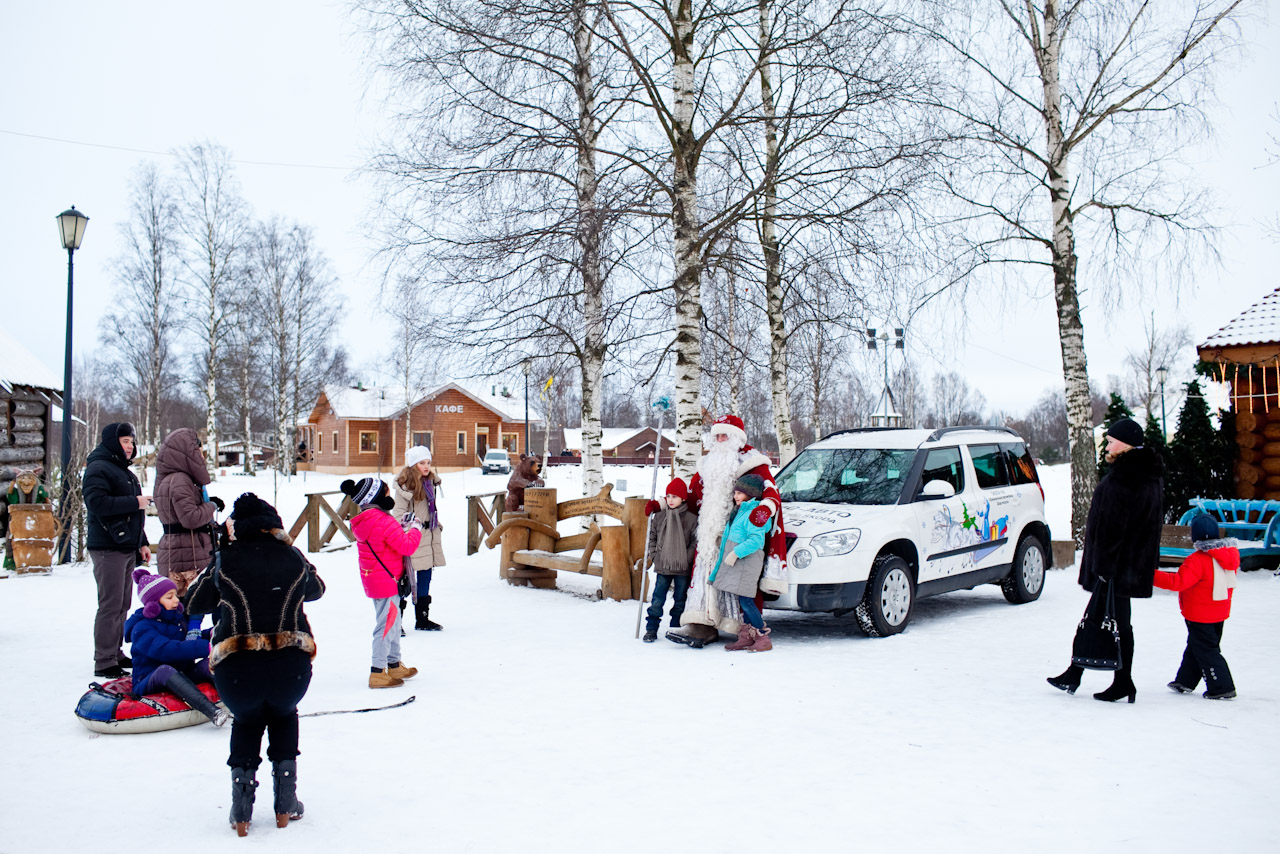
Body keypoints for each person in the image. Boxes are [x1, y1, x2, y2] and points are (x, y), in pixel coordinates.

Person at [186, 493, 325, 837]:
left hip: (238, 669)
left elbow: (193, 602)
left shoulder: (225, 560)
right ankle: (285, 803)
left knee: (246, 721)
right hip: (290, 667)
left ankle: (242, 811)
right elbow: (317, 589)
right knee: (283, 714)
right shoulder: (292, 556)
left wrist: (219, 557)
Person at [1047, 417, 1163, 702]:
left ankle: (1112, 680)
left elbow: (1114, 526)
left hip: (1116, 567)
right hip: (1130, 564)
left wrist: (1105, 567)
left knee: (1107, 622)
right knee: (1109, 620)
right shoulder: (1146, 473)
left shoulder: (1127, 476)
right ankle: (1085, 676)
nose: (1107, 445)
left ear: (1125, 445)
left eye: (1111, 441)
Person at [664, 414, 788, 649]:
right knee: (704, 579)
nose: (720, 439)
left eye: (724, 435)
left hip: (737, 537)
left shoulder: (752, 463)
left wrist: (765, 508)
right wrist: (666, 503)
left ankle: (745, 629)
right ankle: (702, 625)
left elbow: (771, 491)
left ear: (736, 438)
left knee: (735, 584)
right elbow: (692, 497)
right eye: (716, 435)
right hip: (708, 537)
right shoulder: (708, 464)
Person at [83, 422, 152, 679]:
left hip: (124, 546)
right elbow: (97, 503)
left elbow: (133, 516)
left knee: (122, 603)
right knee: (110, 604)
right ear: (113, 442)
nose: (130, 446)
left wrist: (142, 542)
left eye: (132, 442)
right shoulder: (98, 468)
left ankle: (116, 652)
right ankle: (103, 660)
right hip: (106, 547)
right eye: (125, 441)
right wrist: (135, 501)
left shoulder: (123, 471)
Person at [343, 476, 422, 688]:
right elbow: (406, 546)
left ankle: (394, 664)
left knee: (393, 624)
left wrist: (401, 526)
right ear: (377, 497)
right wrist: (415, 528)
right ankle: (377, 672)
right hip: (387, 582)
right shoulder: (383, 521)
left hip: (377, 580)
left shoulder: (366, 520)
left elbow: (387, 541)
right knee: (386, 627)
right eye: (385, 493)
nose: (389, 497)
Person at [123, 567, 227, 726]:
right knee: (165, 670)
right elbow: (166, 650)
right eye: (169, 597)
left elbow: (188, 640)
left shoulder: (176, 620)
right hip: (149, 679)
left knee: (209, 663)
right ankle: (212, 711)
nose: (176, 600)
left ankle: (233, 699)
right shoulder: (142, 628)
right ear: (153, 604)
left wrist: (215, 633)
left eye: (175, 595)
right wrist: (207, 646)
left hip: (182, 674)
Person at [1154, 513, 1239, 700]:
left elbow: (1177, 582)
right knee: (1196, 646)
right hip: (1219, 612)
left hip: (1199, 615)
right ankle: (1185, 680)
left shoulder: (1197, 560)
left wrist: (1150, 576)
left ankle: (1222, 687)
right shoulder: (1228, 556)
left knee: (1208, 651)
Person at [154, 427, 222, 599]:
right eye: (197, 451)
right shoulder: (180, 480)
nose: (201, 456)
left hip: (180, 550)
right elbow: (190, 519)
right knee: (187, 607)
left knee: (182, 610)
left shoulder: (171, 478)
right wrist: (212, 505)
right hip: (185, 554)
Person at [713, 475, 774, 652]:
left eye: (739, 493)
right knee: (743, 600)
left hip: (747, 563)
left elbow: (756, 540)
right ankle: (747, 636)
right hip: (741, 564)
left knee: (747, 601)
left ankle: (762, 637)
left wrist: (735, 553)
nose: (735, 496)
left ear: (751, 493)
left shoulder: (755, 514)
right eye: (735, 493)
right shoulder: (740, 511)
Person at [393, 446, 447, 631]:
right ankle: (396, 622)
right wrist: (411, 526)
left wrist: (435, 524)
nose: (426, 466)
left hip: (428, 535)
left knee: (425, 576)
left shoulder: (430, 483)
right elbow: (398, 513)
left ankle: (422, 619)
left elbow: (430, 509)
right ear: (413, 465)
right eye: (422, 463)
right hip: (411, 536)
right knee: (404, 579)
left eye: (428, 462)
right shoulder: (405, 485)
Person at [642, 477, 697, 643]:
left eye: (675, 496)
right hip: (663, 565)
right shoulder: (659, 517)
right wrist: (655, 556)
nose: (671, 500)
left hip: (682, 567)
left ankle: (675, 628)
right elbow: (651, 537)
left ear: (683, 498)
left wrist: (686, 557)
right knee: (658, 599)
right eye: (668, 496)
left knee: (680, 599)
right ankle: (651, 628)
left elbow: (695, 541)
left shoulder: (691, 518)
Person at [3, 468, 49, 570]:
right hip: (18, 519)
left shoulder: (38, 490)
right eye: (23, 478)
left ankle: (36, 561)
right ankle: (12, 563)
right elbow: (12, 499)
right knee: (12, 539)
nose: (26, 481)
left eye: (29, 478)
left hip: (35, 519)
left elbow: (45, 500)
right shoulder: (15, 491)